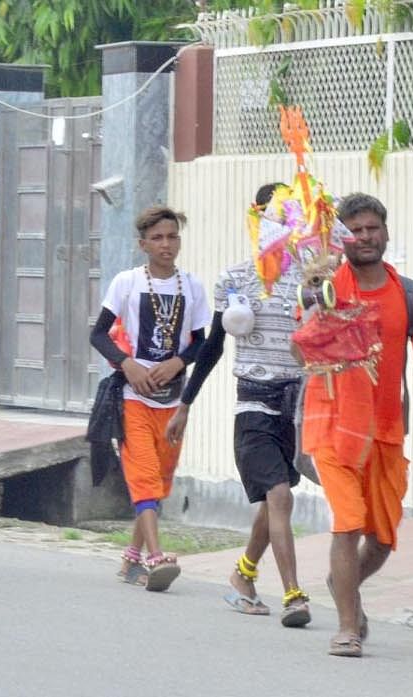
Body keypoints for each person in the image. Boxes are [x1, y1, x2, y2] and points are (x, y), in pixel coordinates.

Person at [304, 193, 413, 656]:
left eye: (373, 228)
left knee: (384, 538)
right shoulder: (322, 286)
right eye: (355, 230)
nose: (366, 237)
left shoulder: (408, 294)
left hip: (388, 428)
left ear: (386, 233)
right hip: (333, 427)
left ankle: (342, 581)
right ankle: (348, 627)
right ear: (342, 239)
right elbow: (300, 352)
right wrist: (320, 310)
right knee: (347, 524)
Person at [167, 183, 310, 624]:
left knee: (272, 506)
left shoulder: (313, 277)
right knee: (280, 497)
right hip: (254, 403)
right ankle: (294, 596)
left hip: (297, 405)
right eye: (272, 216)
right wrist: (186, 403)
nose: (280, 225)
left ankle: (243, 574)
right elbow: (212, 347)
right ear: (256, 220)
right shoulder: (235, 279)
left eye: (288, 217)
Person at [89, 205, 210, 592]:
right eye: (157, 238)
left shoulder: (192, 287)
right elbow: (98, 335)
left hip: (172, 401)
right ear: (143, 244)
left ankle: (130, 559)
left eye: (172, 236)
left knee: (159, 480)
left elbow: (203, 344)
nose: (166, 244)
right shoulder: (126, 283)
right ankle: (156, 557)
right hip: (133, 397)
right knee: (142, 475)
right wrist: (127, 365)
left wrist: (178, 361)